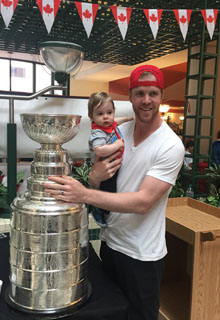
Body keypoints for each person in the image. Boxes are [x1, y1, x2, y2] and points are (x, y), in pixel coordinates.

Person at [44, 65, 185, 320]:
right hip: (110, 245)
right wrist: (94, 180)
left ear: (161, 96)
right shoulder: (119, 132)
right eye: (139, 93)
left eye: (152, 93)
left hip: (143, 256)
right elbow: (104, 182)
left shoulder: (170, 145)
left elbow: (143, 202)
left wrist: (84, 193)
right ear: (130, 97)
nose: (146, 100)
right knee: (112, 314)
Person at [88, 92, 133, 227]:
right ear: (92, 117)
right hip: (104, 166)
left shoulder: (109, 124)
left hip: (112, 164)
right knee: (109, 191)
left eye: (109, 112)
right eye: (100, 114)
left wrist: (127, 119)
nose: (106, 117)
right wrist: (117, 145)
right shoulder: (98, 132)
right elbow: (99, 150)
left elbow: (116, 121)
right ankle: (100, 211)